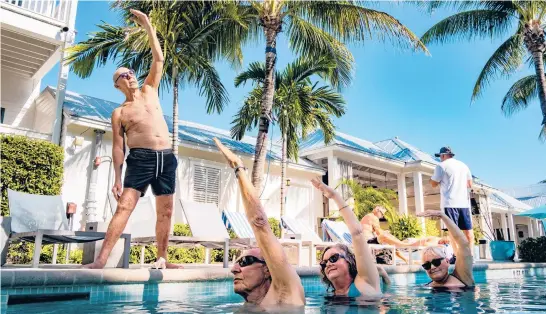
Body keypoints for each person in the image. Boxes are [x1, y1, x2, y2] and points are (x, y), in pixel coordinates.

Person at [84, 9, 180, 269]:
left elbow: (159, 59)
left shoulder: (150, 89)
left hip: (167, 158)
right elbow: (118, 147)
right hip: (141, 159)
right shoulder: (120, 112)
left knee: (166, 211)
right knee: (125, 207)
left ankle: (162, 258)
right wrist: (116, 176)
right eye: (124, 75)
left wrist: (148, 25)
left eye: (132, 72)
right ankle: (102, 259)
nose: (131, 76)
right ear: (117, 85)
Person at [213, 138, 305, 309]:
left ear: (268, 269)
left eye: (245, 261)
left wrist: (238, 168)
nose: (234, 269)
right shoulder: (246, 308)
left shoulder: (285, 296)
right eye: (237, 262)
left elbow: (260, 223)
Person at [311, 179, 385, 297]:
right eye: (324, 263)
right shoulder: (328, 299)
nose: (328, 264)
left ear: (349, 261)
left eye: (334, 258)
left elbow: (357, 234)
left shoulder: (364, 285)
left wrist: (335, 196)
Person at [430, 146, 474, 254]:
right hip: (464, 203)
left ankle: (457, 255)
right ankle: (471, 255)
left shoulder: (441, 166)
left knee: (453, 232)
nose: (440, 158)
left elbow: (433, 184)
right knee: (468, 232)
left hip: (449, 203)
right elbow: (470, 184)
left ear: (443, 155)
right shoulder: (464, 166)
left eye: (440, 156)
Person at [417, 210, 474, 288]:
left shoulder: (462, 277)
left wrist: (442, 215)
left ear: (447, 261)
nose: (432, 267)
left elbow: (463, 244)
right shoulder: (425, 287)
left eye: (436, 262)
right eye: (427, 265)